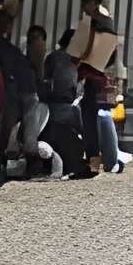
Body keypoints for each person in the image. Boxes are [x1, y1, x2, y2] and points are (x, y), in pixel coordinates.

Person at [0, 7, 61, 178]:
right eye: (32, 41)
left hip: (28, 99)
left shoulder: (44, 62)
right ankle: (28, 156)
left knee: (34, 114)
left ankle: (29, 156)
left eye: (39, 41)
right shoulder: (12, 54)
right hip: (17, 96)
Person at [69, 0, 120, 176]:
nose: (83, 6)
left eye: (85, 2)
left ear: (93, 2)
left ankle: (94, 162)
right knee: (97, 117)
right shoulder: (105, 22)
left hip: (94, 75)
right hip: (97, 75)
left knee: (91, 119)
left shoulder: (98, 23)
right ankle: (102, 160)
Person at [42, 26, 89, 176]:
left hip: (57, 106)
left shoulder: (56, 57)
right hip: (59, 106)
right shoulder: (62, 59)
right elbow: (63, 89)